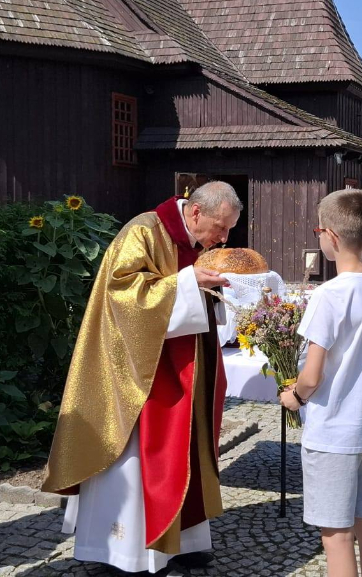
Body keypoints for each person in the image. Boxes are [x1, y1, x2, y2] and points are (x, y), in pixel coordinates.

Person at [41, 182, 240, 573]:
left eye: (229, 230)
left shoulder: (198, 243)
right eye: (220, 227)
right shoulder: (144, 231)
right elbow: (122, 296)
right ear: (196, 212)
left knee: (187, 450)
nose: (223, 238)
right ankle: (122, 553)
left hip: (185, 366)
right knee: (136, 459)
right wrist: (188, 283)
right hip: (135, 373)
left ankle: (183, 541)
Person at [279, 189, 362, 577]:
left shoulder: (328, 295)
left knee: (337, 535)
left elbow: (312, 374)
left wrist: (294, 396)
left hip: (332, 432)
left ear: (328, 235)